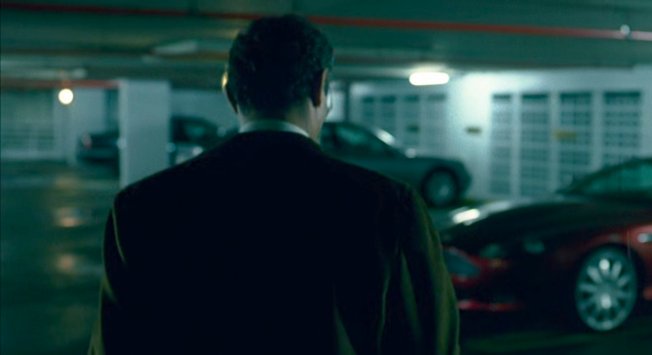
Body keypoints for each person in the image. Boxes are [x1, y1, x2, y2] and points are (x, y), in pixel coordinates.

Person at [89, 15, 460, 355]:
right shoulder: (388, 207)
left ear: (232, 94)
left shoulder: (143, 206)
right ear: (320, 89)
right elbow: (427, 344)